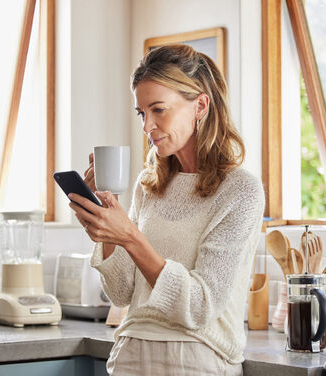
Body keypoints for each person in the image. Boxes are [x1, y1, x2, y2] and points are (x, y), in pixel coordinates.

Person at [68, 44, 265, 376]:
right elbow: (121, 293)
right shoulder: (151, 185)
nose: (147, 126)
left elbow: (199, 307)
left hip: (197, 358)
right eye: (142, 113)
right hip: (130, 352)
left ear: (200, 105)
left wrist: (129, 237)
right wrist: (105, 232)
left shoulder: (240, 191)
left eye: (159, 109)